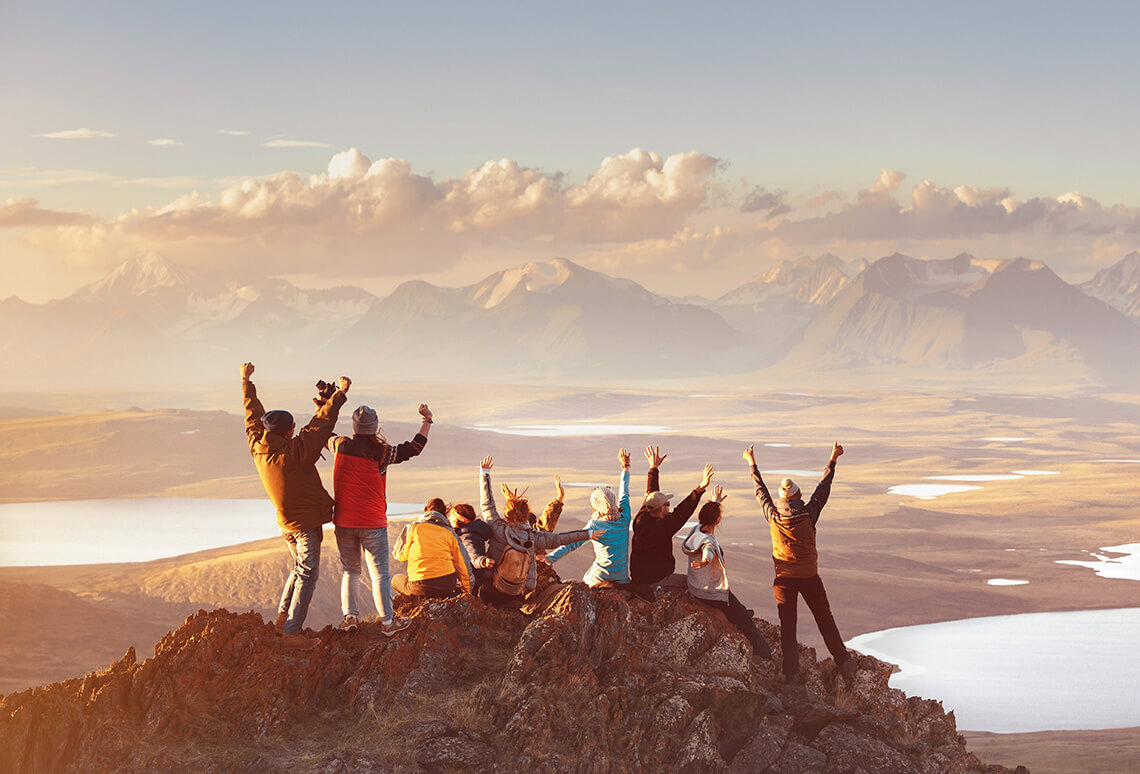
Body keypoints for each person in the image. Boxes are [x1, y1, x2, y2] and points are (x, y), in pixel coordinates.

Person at [241, 362, 347, 650]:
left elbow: (253, 416)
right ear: (288, 432)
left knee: (299, 569)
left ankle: (281, 622)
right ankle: (291, 632)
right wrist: (338, 396)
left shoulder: (258, 446)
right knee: (308, 574)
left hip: (285, 523)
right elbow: (318, 429)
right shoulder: (292, 454)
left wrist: (247, 382)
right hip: (302, 525)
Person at [745, 442, 856, 683]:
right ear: (797, 496)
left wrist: (752, 463)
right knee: (824, 619)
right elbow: (823, 488)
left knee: (788, 627)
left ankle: (792, 674)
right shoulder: (809, 513)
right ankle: (844, 661)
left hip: (783, 581)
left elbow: (760, 491)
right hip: (809, 578)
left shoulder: (773, 516)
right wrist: (833, 458)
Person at [326, 403, 432, 636]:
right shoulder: (382, 453)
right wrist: (427, 421)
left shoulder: (339, 445)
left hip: (344, 522)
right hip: (372, 523)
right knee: (380, 575)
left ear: (355, 427)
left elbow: (323, 433)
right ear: (374, 427)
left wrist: (324, 406)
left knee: (350, 571)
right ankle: (387, 622)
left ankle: (350, 618)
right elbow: (414, 448)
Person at [478, 456, 600, 605]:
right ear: (527, 516)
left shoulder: (499, 530)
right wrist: (587, 534)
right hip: (517, 594)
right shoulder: (533, 537)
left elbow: (487, 505)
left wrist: (485, 474)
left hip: (492, 590)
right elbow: (560, 539)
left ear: (507, 515)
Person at [681, 491, 773, 660]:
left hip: (696, 585)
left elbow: (707, 522)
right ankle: (764, 653)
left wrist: (715, 501)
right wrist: (704, 561)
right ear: (718, 520)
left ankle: (742, 611)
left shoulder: (696, 530)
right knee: (745, 620)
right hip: (710, 592)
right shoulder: (708, 540)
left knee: (738, 606)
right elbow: (708, 551)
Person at [547, 449, 634, 586]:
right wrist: (625, 468)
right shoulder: (624, 518)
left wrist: (550, 558)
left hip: (599, 578)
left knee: (585, 579)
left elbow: (571, 545)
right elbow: (625, 493)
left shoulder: (595, 526)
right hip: (622, 579)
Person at [630, 445, 713, 586]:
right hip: (656, 580)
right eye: (667, 504)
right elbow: (682, 512)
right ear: (662, 508)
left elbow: (652, 494)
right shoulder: (662, 528)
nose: (670, 506)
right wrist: (701, 488)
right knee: (697, 584)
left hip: (639, 577)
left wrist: (653, 468)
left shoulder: (642, 516)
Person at [391, 498, 473, 598]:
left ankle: (415, 601)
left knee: (395, 580)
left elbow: (399, 555)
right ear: (444, 514)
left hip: (420, 586)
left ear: (426, 511)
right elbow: (462, 564)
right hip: (447, 585)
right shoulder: (450, 533)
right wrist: (467, 592)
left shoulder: (414, 528)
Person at [449, 502, 495, 592]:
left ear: (461, 519)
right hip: (473, 581)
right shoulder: (467, 533)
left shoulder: (468, 537)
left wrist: (483, 561)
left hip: (469, 584)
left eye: (452, 516)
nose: (449, 519)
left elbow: (473, 556)